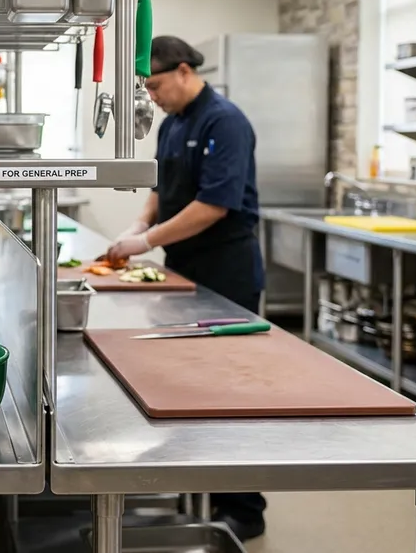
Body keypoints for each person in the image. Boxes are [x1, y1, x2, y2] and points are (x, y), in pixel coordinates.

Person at [105, 35, 267, 541]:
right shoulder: (172, 123)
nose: (151, 97)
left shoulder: (225, 121)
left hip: (227, 269)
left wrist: (146, 241)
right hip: (183, 269)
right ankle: (196, 484)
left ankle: (243, 508)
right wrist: (139, 224)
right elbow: (161, 188)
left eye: (154, 86)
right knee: (186, 385)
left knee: (227, 390)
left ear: (182, 71)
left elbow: (213, 205)